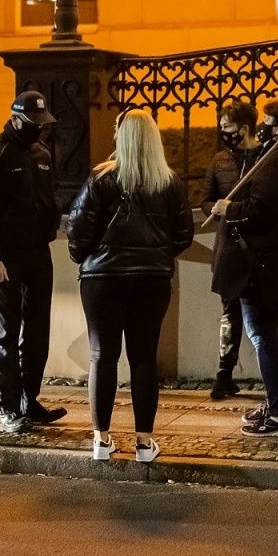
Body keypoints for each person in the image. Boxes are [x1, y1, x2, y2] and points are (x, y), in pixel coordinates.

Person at [67, 110, 194, 462]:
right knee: (144, 358)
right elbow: (183, 235)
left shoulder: (101, 179)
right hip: (151, 281)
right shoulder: (168, 182)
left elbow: (78, 232)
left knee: (101, 355)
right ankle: (143, 443)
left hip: (102, 280)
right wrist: (156, 256)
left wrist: (89, 257)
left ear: (120, 138)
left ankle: (101, 441)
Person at [210, 100, 278, 437]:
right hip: (270, 261)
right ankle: (275, 403)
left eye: (270, 121)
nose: (263, 126)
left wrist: (231, 207)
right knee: (267, 332)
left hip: (262, 265)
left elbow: (262, 210)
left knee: (263, 334)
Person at [0, 91, 64, 434]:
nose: (39, 130)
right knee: (7, 333)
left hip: (39, 251)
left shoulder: (41, 152)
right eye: (33, 123)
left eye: (42, 124)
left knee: (38, 332)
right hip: (6, 256)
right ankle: (8, 409)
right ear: (16, 119)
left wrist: (50, 222)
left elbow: (52, 194)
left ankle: (30, 400)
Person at [200, 100, 262, 400]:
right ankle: (224, 375)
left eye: (228, 127)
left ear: (244, 128)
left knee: (270, 312)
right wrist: (216, 208)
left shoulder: (265, 158)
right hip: (227, 246)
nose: (223, 132)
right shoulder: (219, 161)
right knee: (230, 313)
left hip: (259, 246)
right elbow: (205, 200)